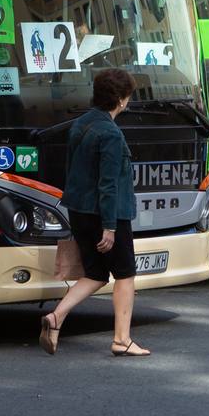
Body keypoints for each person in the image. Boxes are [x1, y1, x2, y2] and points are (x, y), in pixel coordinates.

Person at [39, 69, 150, 357]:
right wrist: (110, 227)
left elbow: (72, 170)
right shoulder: (111, 134)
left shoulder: (80, 124)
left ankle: (56, 317)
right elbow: (109, 184)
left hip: (79, 211)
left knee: (96, 273)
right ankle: (122, 339)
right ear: (122, 100)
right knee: (125, 275)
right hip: (107, 215)